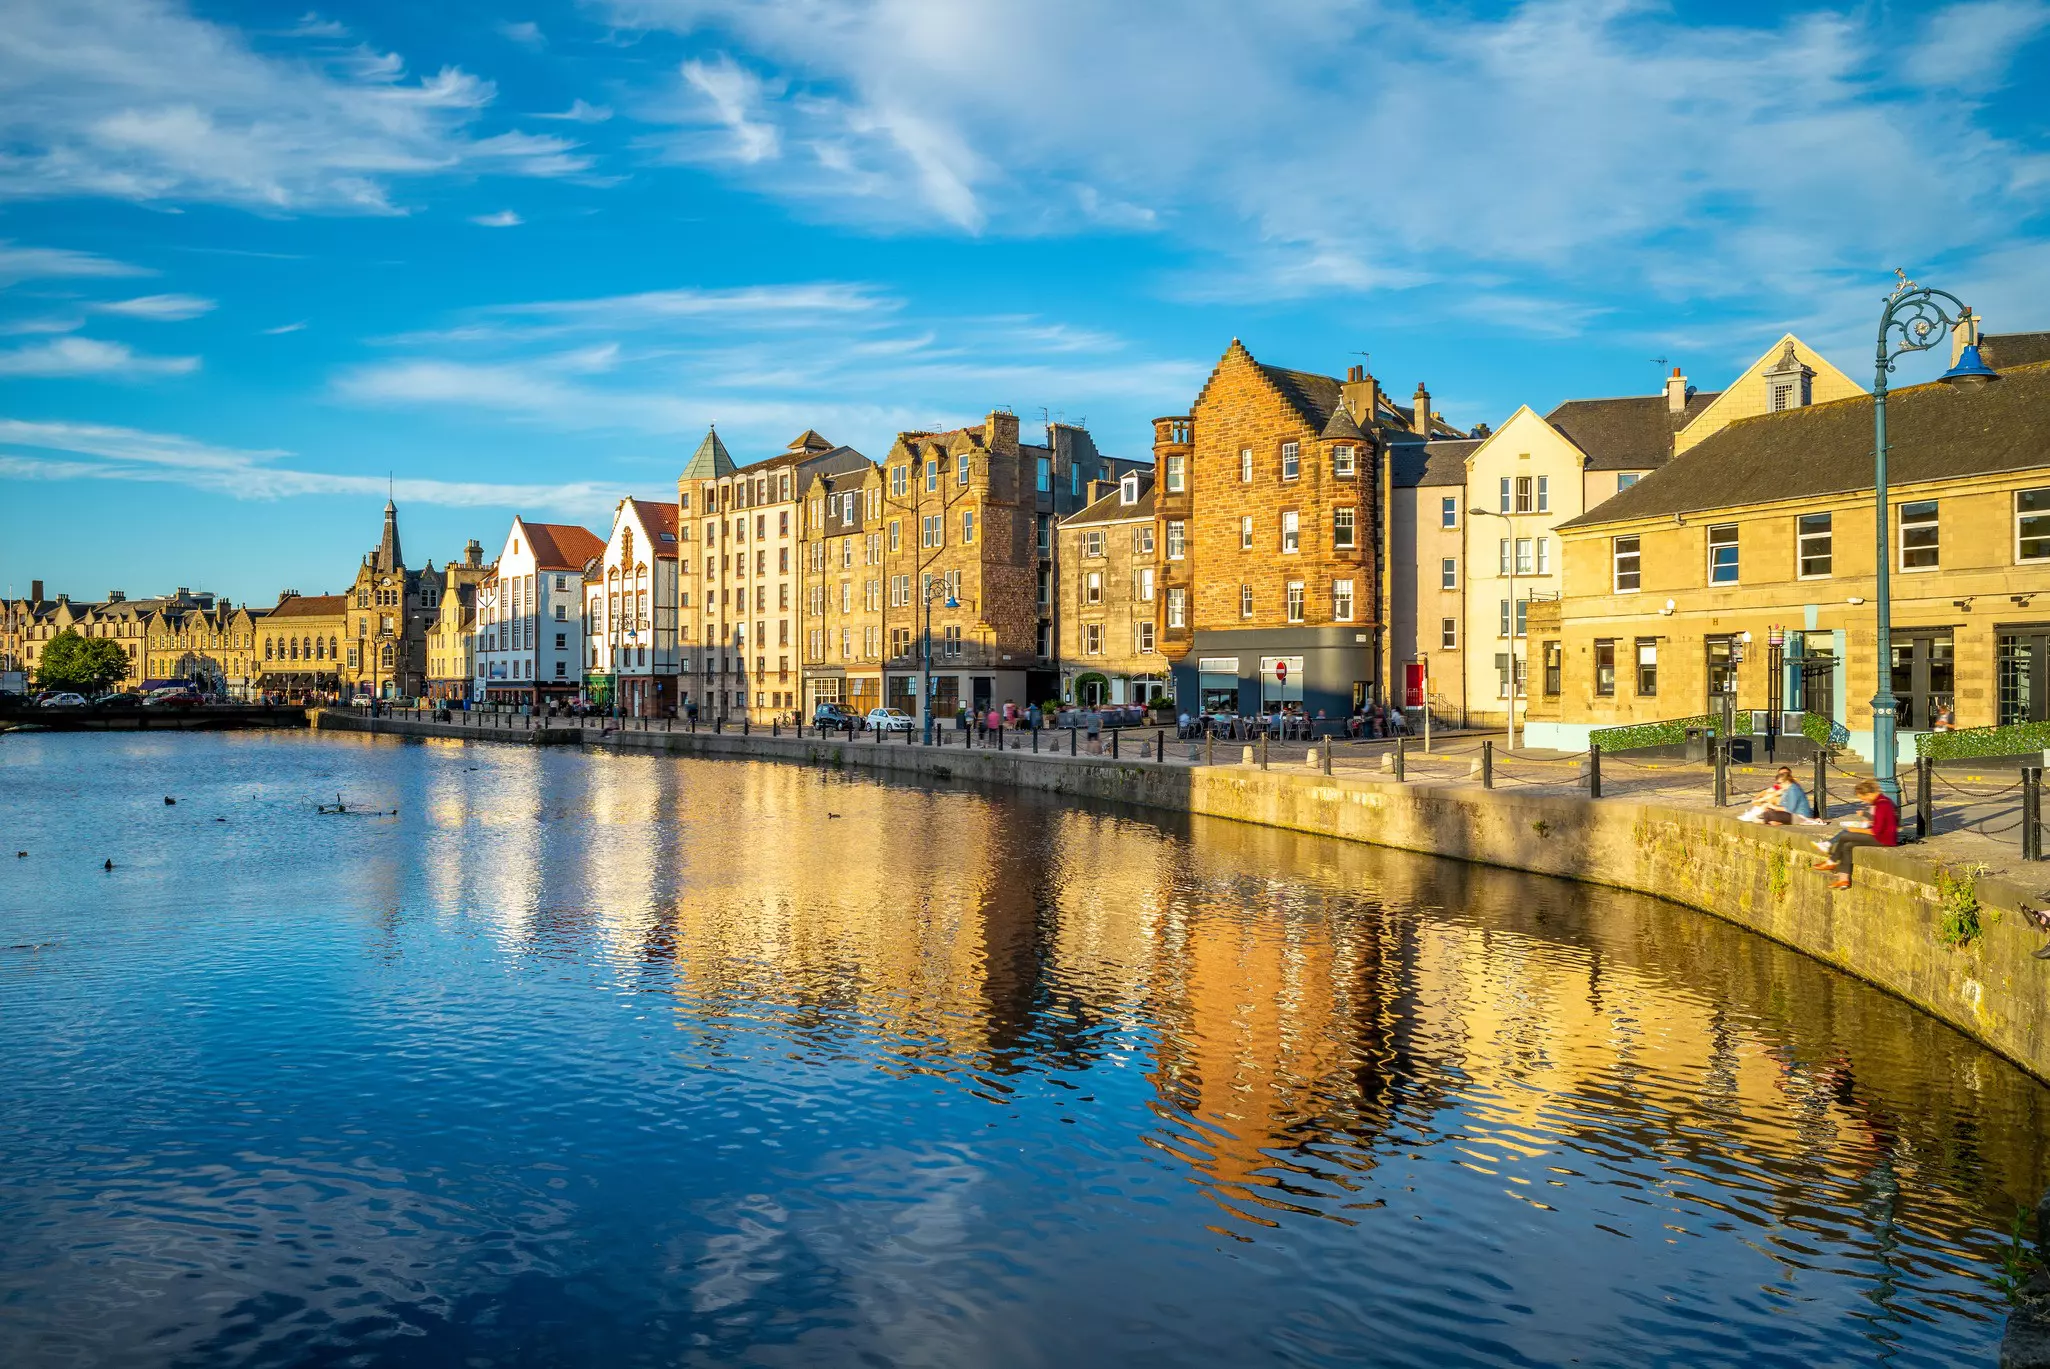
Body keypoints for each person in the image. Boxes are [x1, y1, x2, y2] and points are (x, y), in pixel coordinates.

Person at [1814, 779, 1897, 888]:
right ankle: (1844, 879)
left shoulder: (1882, 804)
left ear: (1869, 794)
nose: (1865, 801)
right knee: (1847, 845)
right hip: (1882, 835)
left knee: (1845, 835)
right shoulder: (1882, 801)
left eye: (1864, 798)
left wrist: (1855, 829)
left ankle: (1832, 861)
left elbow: (1875, 831)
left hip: (1884, 838)